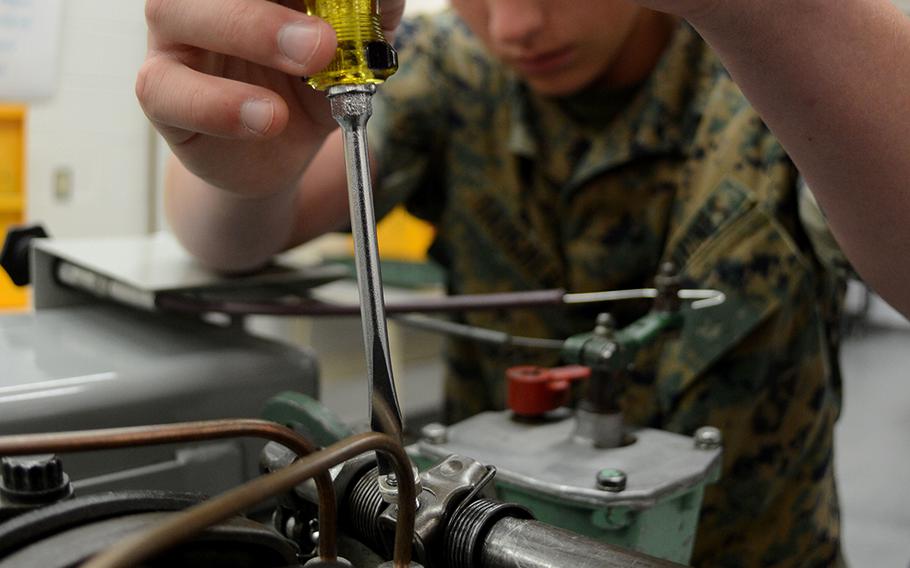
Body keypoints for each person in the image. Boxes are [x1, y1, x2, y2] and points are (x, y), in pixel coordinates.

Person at [137, 0, 910, 565]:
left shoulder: (768, 69)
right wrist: (243, 143)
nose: (514, 27)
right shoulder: (449, 67)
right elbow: (228, 236)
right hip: (491, 547)